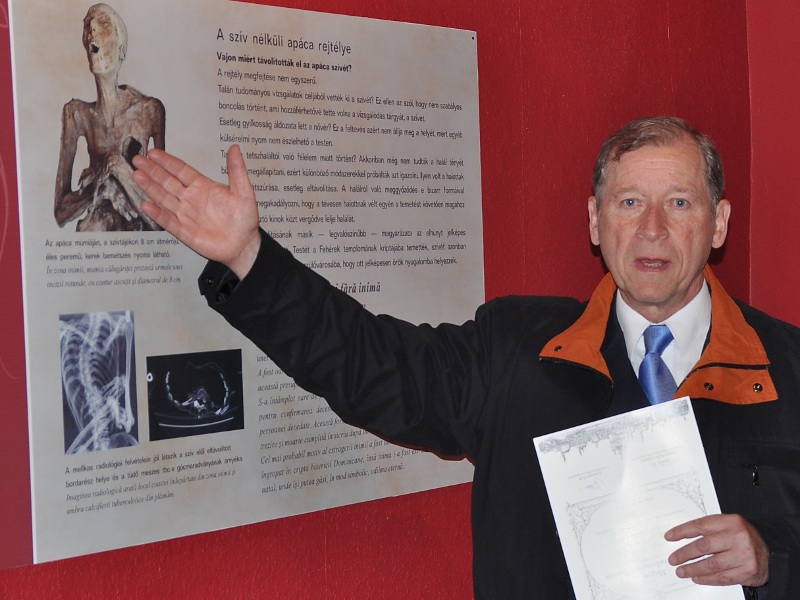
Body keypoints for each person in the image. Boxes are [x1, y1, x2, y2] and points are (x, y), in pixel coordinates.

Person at [131, 117, 800, 599]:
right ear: (596, 223)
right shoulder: (513, 350)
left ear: (718, 223)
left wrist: (773, 563)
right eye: (629, 203)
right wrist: (250, 259)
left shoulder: (791, 369)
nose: (652, 228)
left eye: (679, 203)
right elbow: (370, 364)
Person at [55, 3, 165, 232]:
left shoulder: (149, 111)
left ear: (121, 49)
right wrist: (100, 184)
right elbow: (61, 212)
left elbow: (162, 218)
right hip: (95, 235)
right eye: (88, 26)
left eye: (103, 23)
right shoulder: (76, 114)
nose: (92, 31)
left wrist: (117, 167)